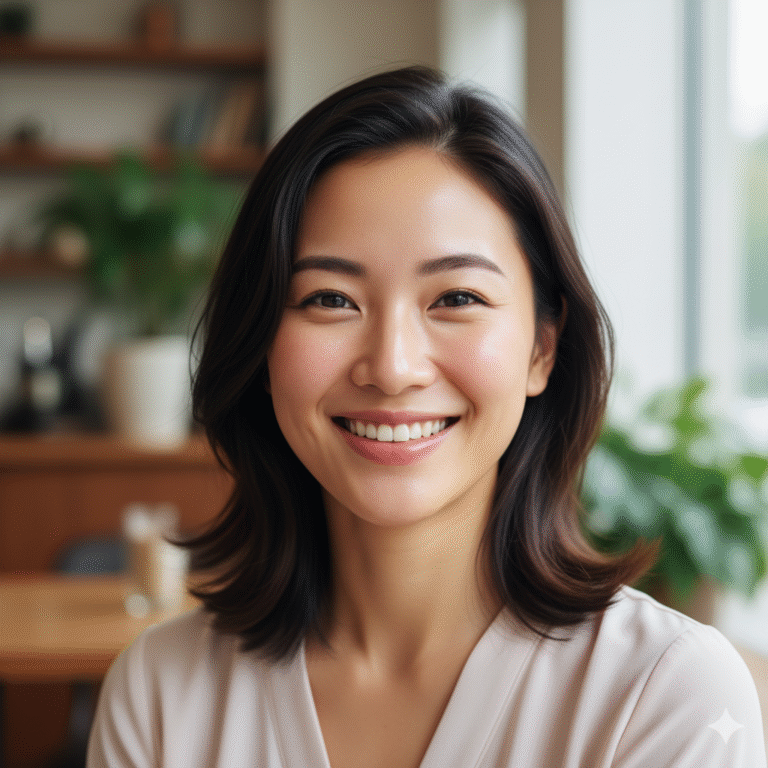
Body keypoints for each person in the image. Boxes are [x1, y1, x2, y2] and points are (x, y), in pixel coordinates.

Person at [87, 66, 766, 767]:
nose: (392, 365)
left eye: (456, 298)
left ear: (542, 346)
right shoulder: (160, 694)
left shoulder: (667, 696)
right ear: (261, 345)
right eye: (330, 299)